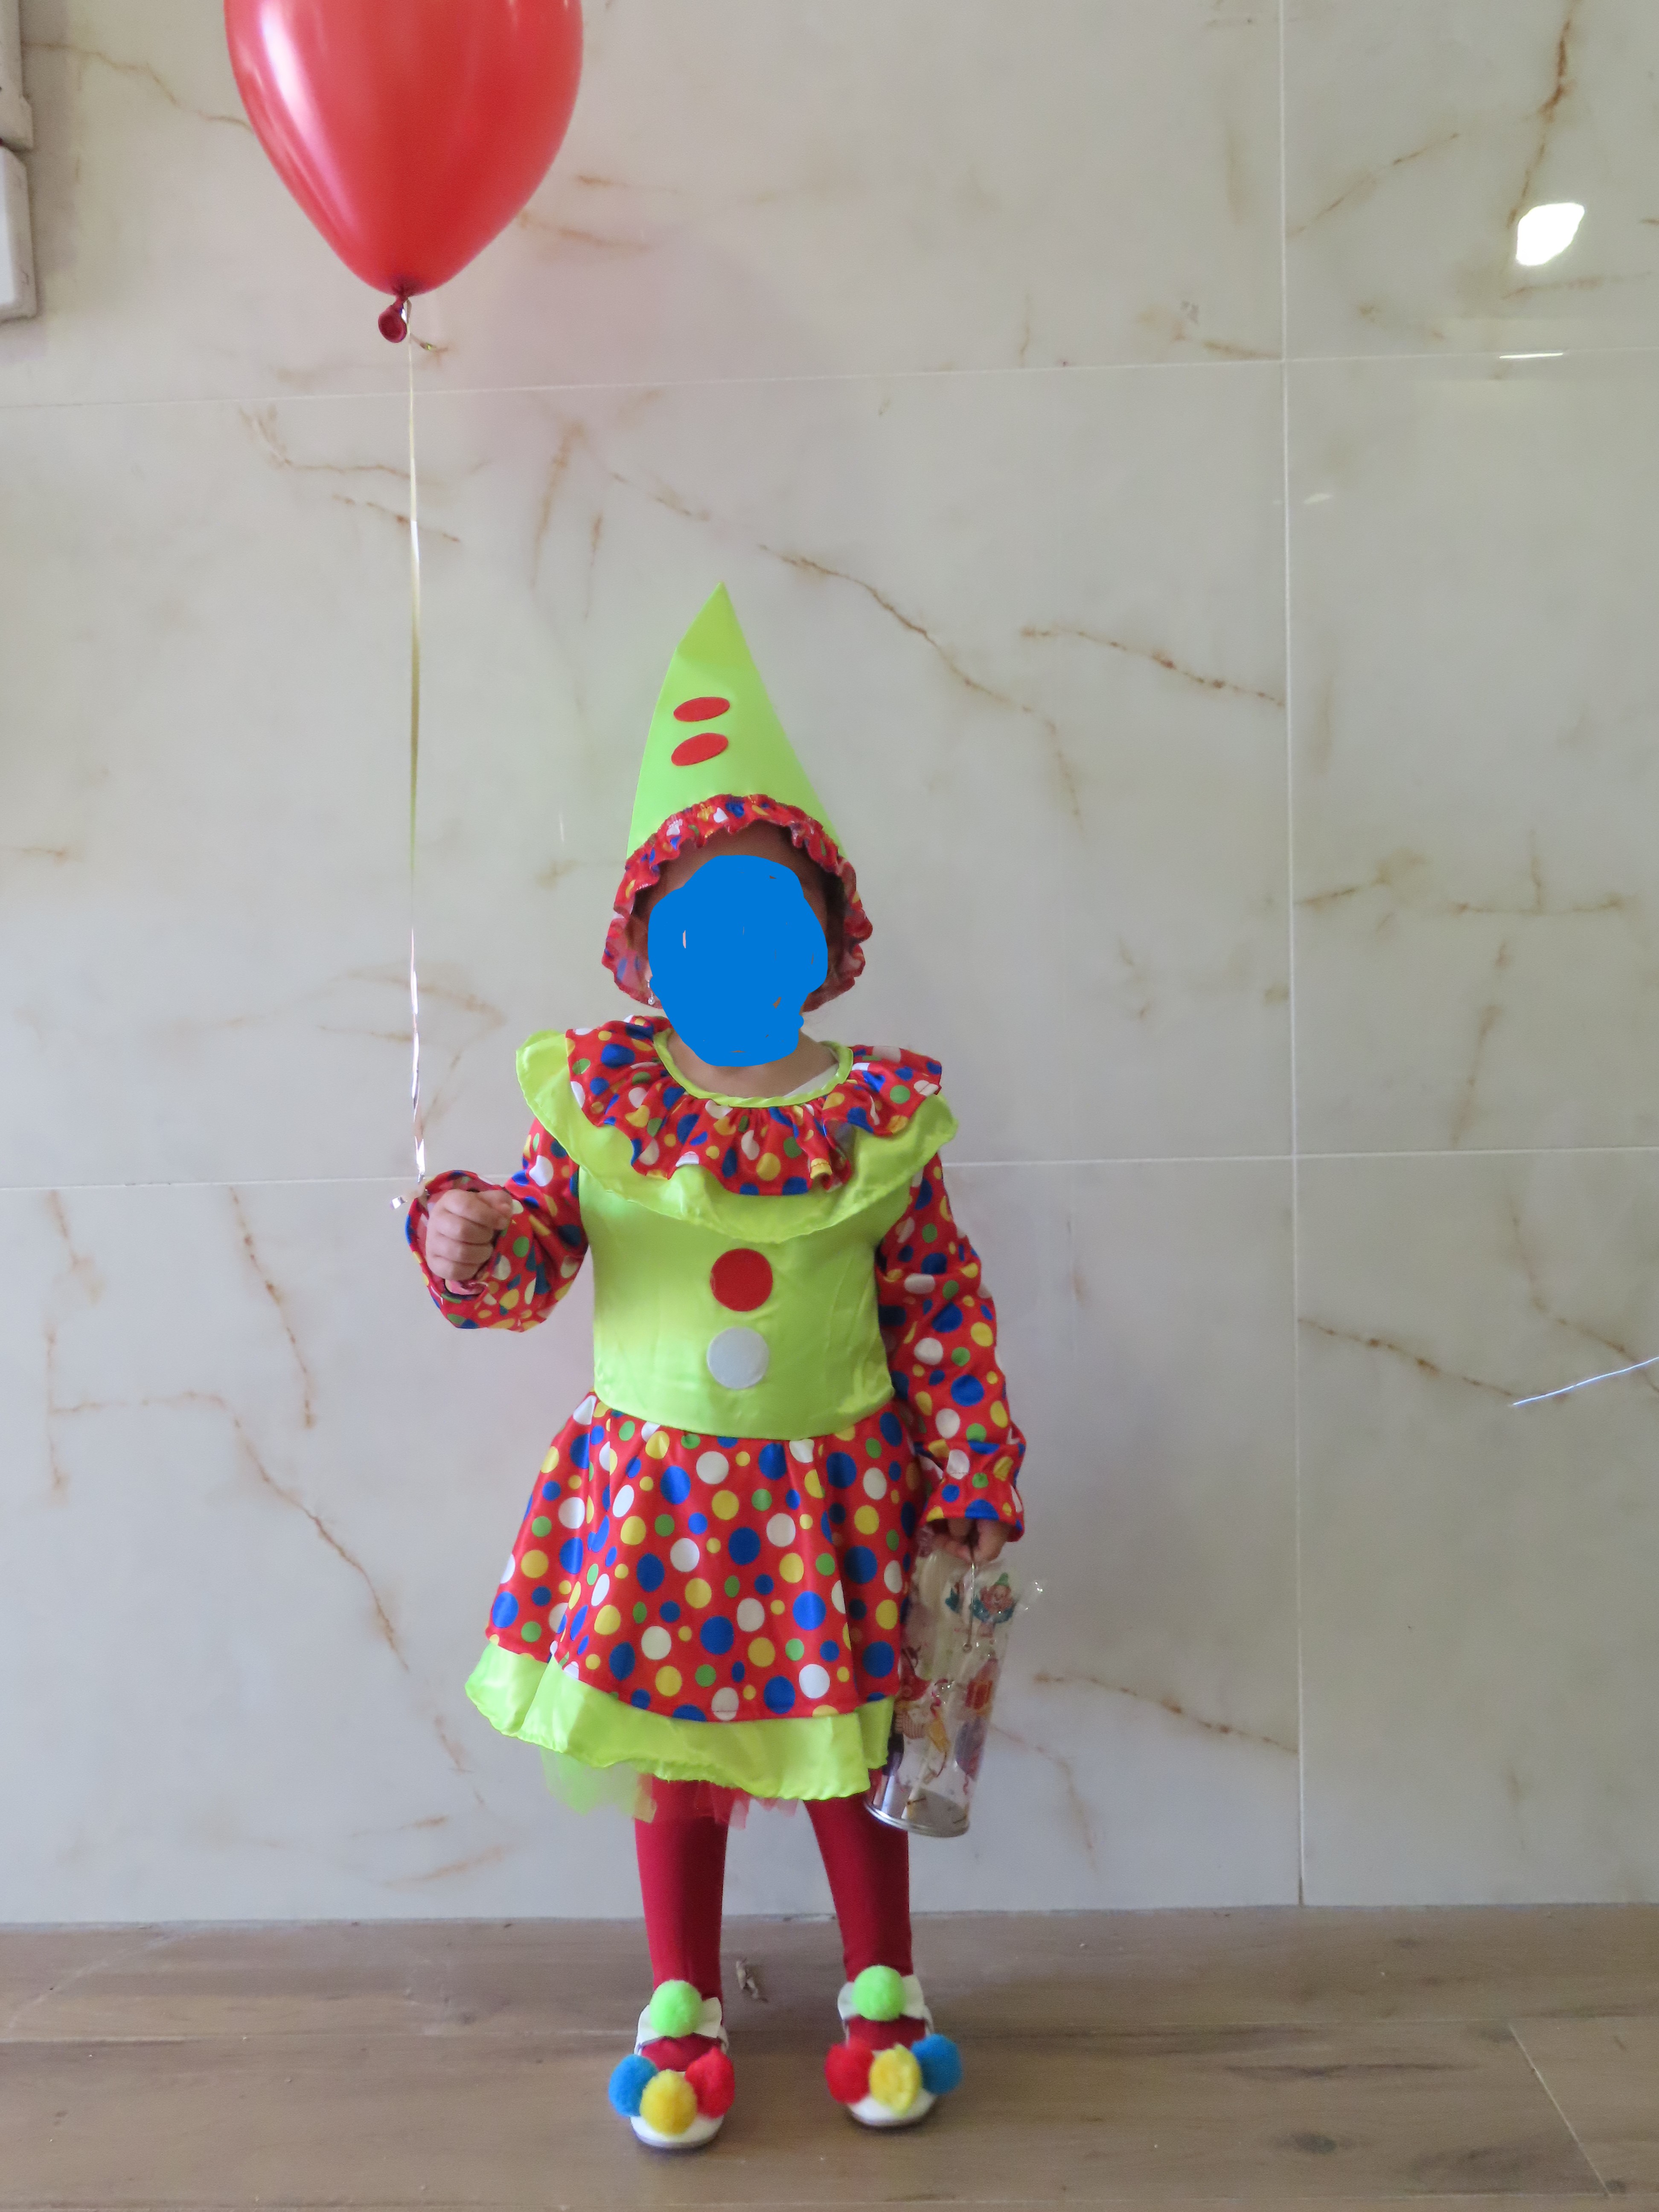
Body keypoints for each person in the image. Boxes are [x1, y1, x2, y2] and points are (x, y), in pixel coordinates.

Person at [405, 586, 1026, 2150]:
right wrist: (474, 1235)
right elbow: (537, 1257)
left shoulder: (875, 1120)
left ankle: (883, 1986)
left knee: (848, 1752)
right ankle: (680, 1996)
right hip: (661, 1493)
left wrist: (972, 1476)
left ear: (828, 941)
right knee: (677, 1764)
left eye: (769, 915)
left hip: (837, 1493)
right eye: (699, 919)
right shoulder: (602, 1101)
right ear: (643, 947)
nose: (735, 945)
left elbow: (937, 1306)